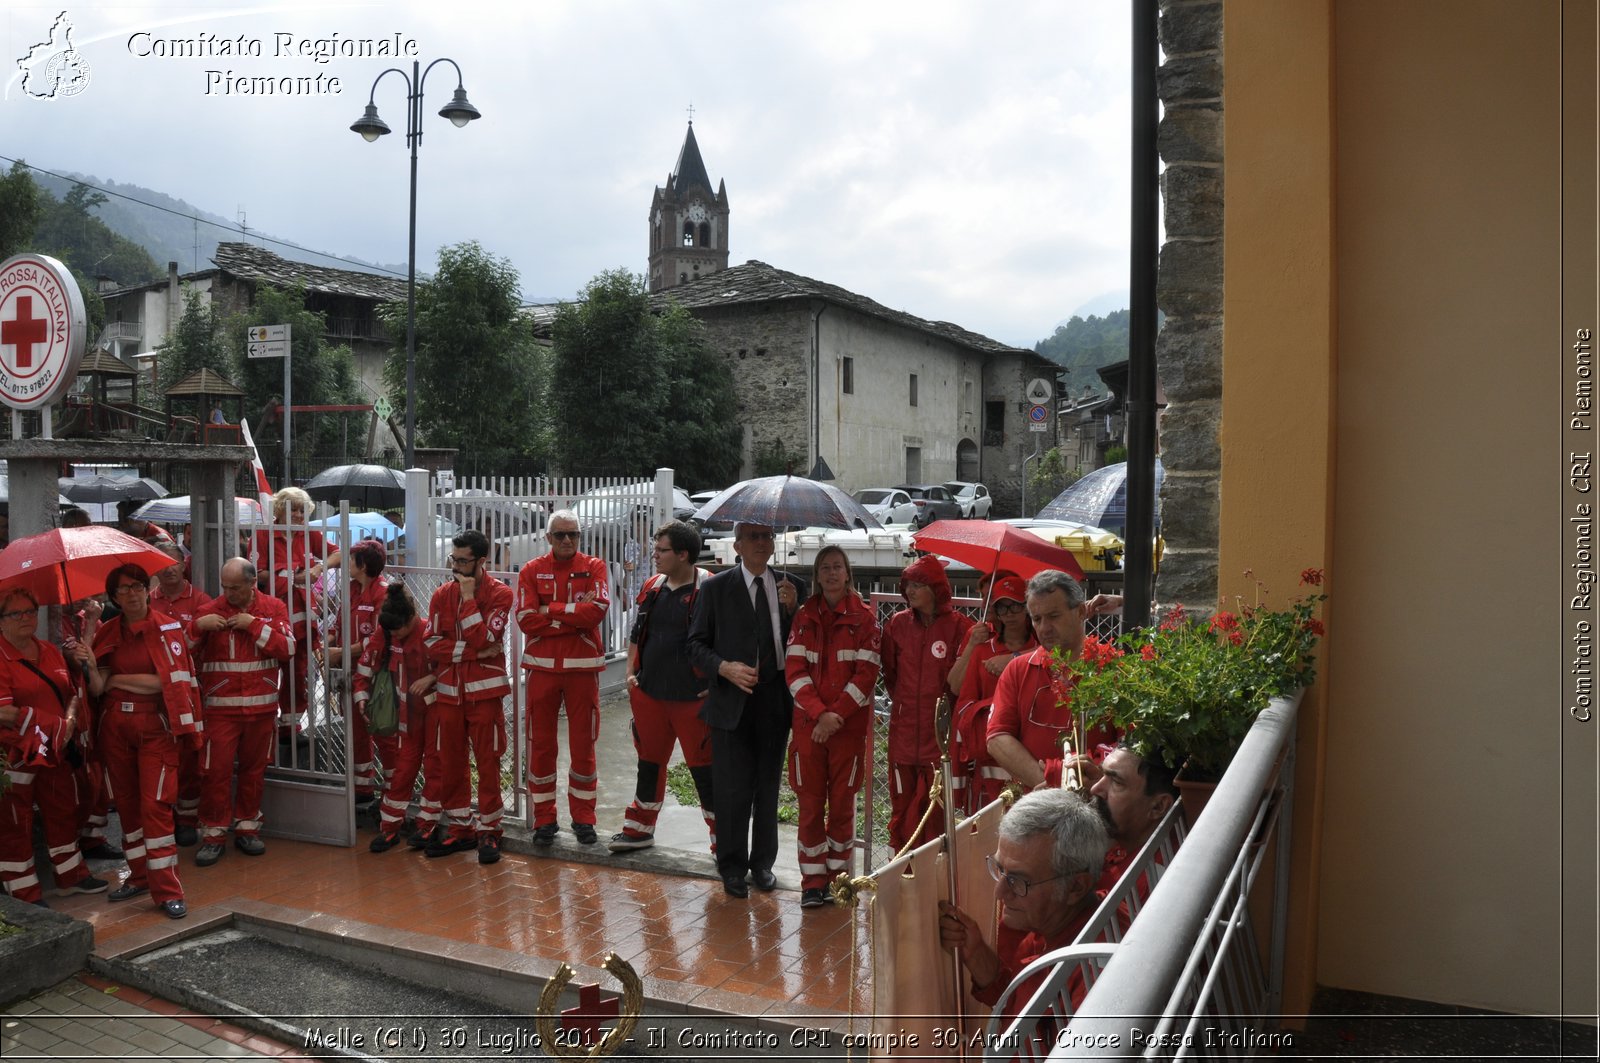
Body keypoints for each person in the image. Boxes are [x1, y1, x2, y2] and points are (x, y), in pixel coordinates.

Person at [687, 521, 805, 898]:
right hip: (732, 699)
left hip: (774, 697)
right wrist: (723, 667)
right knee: (732, 787)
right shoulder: (715, 588)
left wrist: (795, 610)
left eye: (767, 536)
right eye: (753, 537)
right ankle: (732, 865)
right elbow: (695, 645)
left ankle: (762, 864)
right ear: (736, 546)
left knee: (768, 786)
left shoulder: (791, 587)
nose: (761, 542)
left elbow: (800, 640)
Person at [83, 565, 202, 919]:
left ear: (147, 589)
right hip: (115, 730)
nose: (133, 594)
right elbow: (98, 687)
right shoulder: (106, 631)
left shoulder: (167, 626)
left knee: (156, 806)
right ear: (113, 597)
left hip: (156, 728)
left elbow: (164, 683)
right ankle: (138, 876)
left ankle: (167, 890)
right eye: (124, 590)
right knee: (128, 805)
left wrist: (118, 677)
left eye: (137, 586)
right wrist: (90, 649)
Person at [938, 789, 1108, 1030]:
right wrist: (974, 952)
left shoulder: (1095, 979)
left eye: (1019, 881)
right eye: (999, 869)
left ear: (1075, 887)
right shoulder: (1054, 921)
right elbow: (1020, 1006)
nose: (1000, 893)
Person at [783, 544, 881, 909]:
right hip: (811, 728)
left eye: (837, 567)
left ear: (848, 573)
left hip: (845, 732)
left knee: (842, 807)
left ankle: (840, 882)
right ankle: (812, 883)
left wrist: (833, 716)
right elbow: (794, 672)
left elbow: (867, 675)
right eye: (825, 567)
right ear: (817, 575)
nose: (831, 573)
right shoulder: (804, 616)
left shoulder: (865, 619)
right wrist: (819, 714)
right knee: (809, 806)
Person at [609, 520, 714, 854]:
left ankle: (723, 843)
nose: (654, 555)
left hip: (693, 699)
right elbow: (637, 632)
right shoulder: (653, 586)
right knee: (649, 764)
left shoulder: (709, 588)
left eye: (661, 550)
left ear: (683, 554)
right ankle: (639, 830)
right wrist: (630, 673)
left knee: (706, 771)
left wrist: (715, 683)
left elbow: (726, 640)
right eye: (655, 549)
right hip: (650, 695)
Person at [0, 589, 110, 905]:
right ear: (1, 621)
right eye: (15, 613)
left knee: (63, 810)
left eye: (30, 611)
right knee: (14, 823)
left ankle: (71, 876)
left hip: (53, 749)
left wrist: (70, 720)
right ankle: (22, 891)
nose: (25, 618)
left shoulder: (49, 650)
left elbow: (72, 691)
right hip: (15, 755)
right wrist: (50, 723)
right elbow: (4, 713)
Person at [189, 557, 294, 866]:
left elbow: (288, 649)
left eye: (235, 588)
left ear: (252, 584)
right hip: (221, 712)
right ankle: (213, 835)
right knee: (216, 773)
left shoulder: (272, 608)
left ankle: (247, 827)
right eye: (224, 587)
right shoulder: (210, 611)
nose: (228, 594)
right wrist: (196, 627)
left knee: (254, 771)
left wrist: (254, 626)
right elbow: (179, 649)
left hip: (261, 710)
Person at [516, 509, 609, 846]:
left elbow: (596, 612)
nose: (568, 540)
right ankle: (544, 820)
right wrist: (572, 615)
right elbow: (525, 618)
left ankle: (584, 819)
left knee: (584, 746)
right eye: (560, 535)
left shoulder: (595, 566)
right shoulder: (531, 569)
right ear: (548, 538)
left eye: (574, 534)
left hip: (583, 669)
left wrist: (550, 610)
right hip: (541, 670)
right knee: (541, 746)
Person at [424, 529, 514, 863]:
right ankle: (460, 828)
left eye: (464, 561)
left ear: (481, 560)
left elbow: (488, 635)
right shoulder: (439, 595)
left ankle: (490, 831)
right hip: (449, 694)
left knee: (488, 762)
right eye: (454, 559)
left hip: (485, 696)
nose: (457, 567)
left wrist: (468, 598)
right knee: (451, 762)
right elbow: (431, 643)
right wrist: (475, 653)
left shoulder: (501, 594)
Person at [987, 570, 1119, 790]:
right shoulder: (1018, 669)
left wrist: (1092, 773)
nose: (1044, 628)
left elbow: (1130, 745)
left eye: (1054, 616)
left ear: (1080, 612)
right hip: (1037, 803)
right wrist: (1052, 783)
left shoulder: (1116, 670)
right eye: (1037, 619)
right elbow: (997, 737)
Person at [880, 554, 973, 850]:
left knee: (935, 812)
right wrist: (905, 708)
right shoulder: (897, 625)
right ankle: (901, 875)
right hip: (903, 736)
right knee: (902, 809)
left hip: (939, 739)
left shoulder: (960, 628)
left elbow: (960, 686)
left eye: (918, 584)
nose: (910, 591)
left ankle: (933, 883)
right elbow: (891, 675)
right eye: (907, 584)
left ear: (935, 588)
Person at [355, 583, 440, 852]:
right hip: (406, 717)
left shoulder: (430, 633)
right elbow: (366, 667)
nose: (395, 635)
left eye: (398, 630)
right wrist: (362, 698)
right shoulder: (387, 633)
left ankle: (427, 826)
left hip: (434, 714)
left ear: (412, 618)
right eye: (390, 631)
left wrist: (431, 678)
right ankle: (389, 828)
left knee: (435, 768)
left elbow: (450, 668)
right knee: (402, 772)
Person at [252, 486, 338, 734]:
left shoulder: (308, 534)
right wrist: (291, 576)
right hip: (271, 613)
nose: (301, 516)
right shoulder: (263, 535)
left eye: (303, 510)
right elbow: (257, 574)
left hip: (301, 616)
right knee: (265, 667)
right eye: (295, 510)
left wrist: (317, 570)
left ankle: (291, 725)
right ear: (280, 510)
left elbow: (338, 553)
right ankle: (263, 722)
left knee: (297, 671)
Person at [947, 575, 1035, 815]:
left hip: (1031, 759)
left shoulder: (1042, 649)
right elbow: (963, 704)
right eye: (1002, 606)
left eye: (1016, 605)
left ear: (1028, 606)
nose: (1009, 613)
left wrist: (1016, 659)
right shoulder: (982, 648)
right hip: (990, 762)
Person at [325, 539, 392, 804]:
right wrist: (328, 642)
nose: (347, 565)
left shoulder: (383, 593)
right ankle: (363, 792)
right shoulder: (351, 589)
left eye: (351, 560)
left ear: (363, 565)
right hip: (351, 672)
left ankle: (392, 792)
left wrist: (340, 652)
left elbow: (378, 638)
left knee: (382, 732)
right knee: (356, 732)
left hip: (376, 674)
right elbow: (339, 622)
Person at [150, 544, 207, 846]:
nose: (169, 569)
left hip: (191, 695)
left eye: (174, 563)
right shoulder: (147, 604)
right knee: (162, 759)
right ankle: (165, 816)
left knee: (190, 758)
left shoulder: (200, 600)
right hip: (157, 698)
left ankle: (187, 819)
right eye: (162, 564)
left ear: (184, 565)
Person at [1087, 742, 1179, 893]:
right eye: (1102, 774)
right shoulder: (1132, 839)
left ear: (1158, 806)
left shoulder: (1146, 888)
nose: (1095, 789)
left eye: (1116, 782)